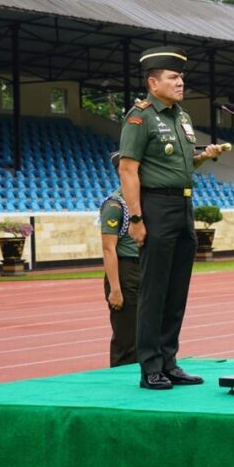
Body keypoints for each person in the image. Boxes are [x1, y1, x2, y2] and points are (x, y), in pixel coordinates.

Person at [118, 46, 224, 389]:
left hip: (184, 206)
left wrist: (203, 157)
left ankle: (169, 360)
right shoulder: (140, 117)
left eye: (181, 77)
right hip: (156, 207)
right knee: (154, 290)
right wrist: (136, 218)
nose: (181, 82)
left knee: (177, 289)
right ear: (153, 82)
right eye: (173, 77)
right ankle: (150, 366)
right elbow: (128, 169)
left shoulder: (181, 117)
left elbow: (178, 164)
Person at [100, 152, 138, 368]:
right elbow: (108, 248)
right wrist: (115, 289)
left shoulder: (140, 201)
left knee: (145, 334)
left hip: (143, 269)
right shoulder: (115, 205)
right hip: (126, 271)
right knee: (127, 337)